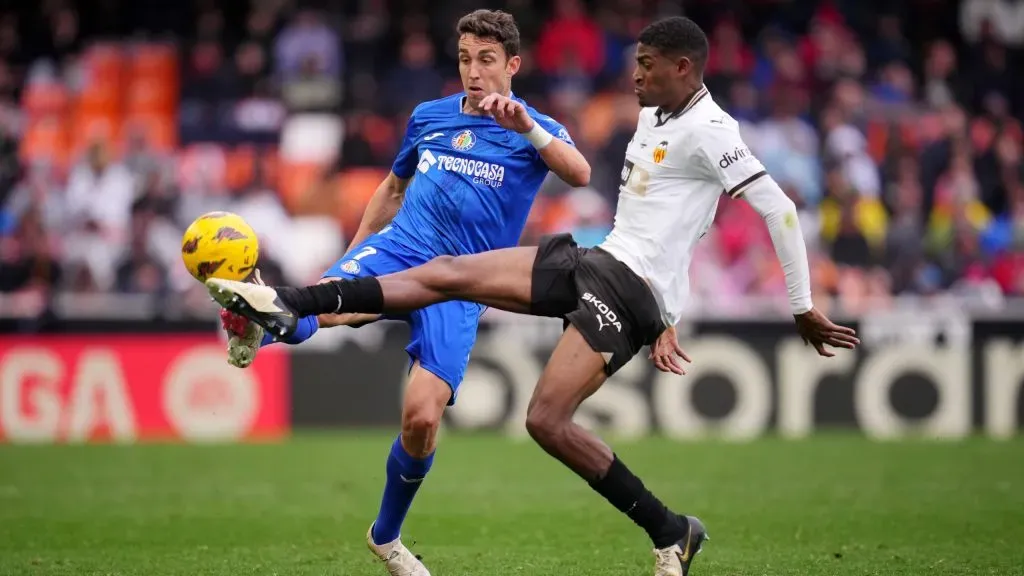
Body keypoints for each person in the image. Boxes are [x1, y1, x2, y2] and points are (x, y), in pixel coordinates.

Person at [208, 16, 859, 576]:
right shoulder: (655, 113)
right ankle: (280, 303)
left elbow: (771, 208)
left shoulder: (707, 130)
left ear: (683, 68)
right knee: (431, 276)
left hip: (626, 293)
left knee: (532, 420)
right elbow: (675, 220)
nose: (633, 74)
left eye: (646, 64)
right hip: (588, 258)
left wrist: (796, 304)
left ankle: (670, 529)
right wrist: (674, 309)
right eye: (635, 63)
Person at [220, 9, 590, 576]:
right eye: (466, 58)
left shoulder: (528, 126)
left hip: (463, 280)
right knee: (333, 305)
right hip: (405, 245)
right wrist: (348, 260)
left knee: (420, 419)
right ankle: (259, 323)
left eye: (487, 60)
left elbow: (580, 173)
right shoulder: (429, 117)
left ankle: (386, 537)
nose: (474, 71)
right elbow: (393, 188)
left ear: (512, 65)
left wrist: (528, 129)